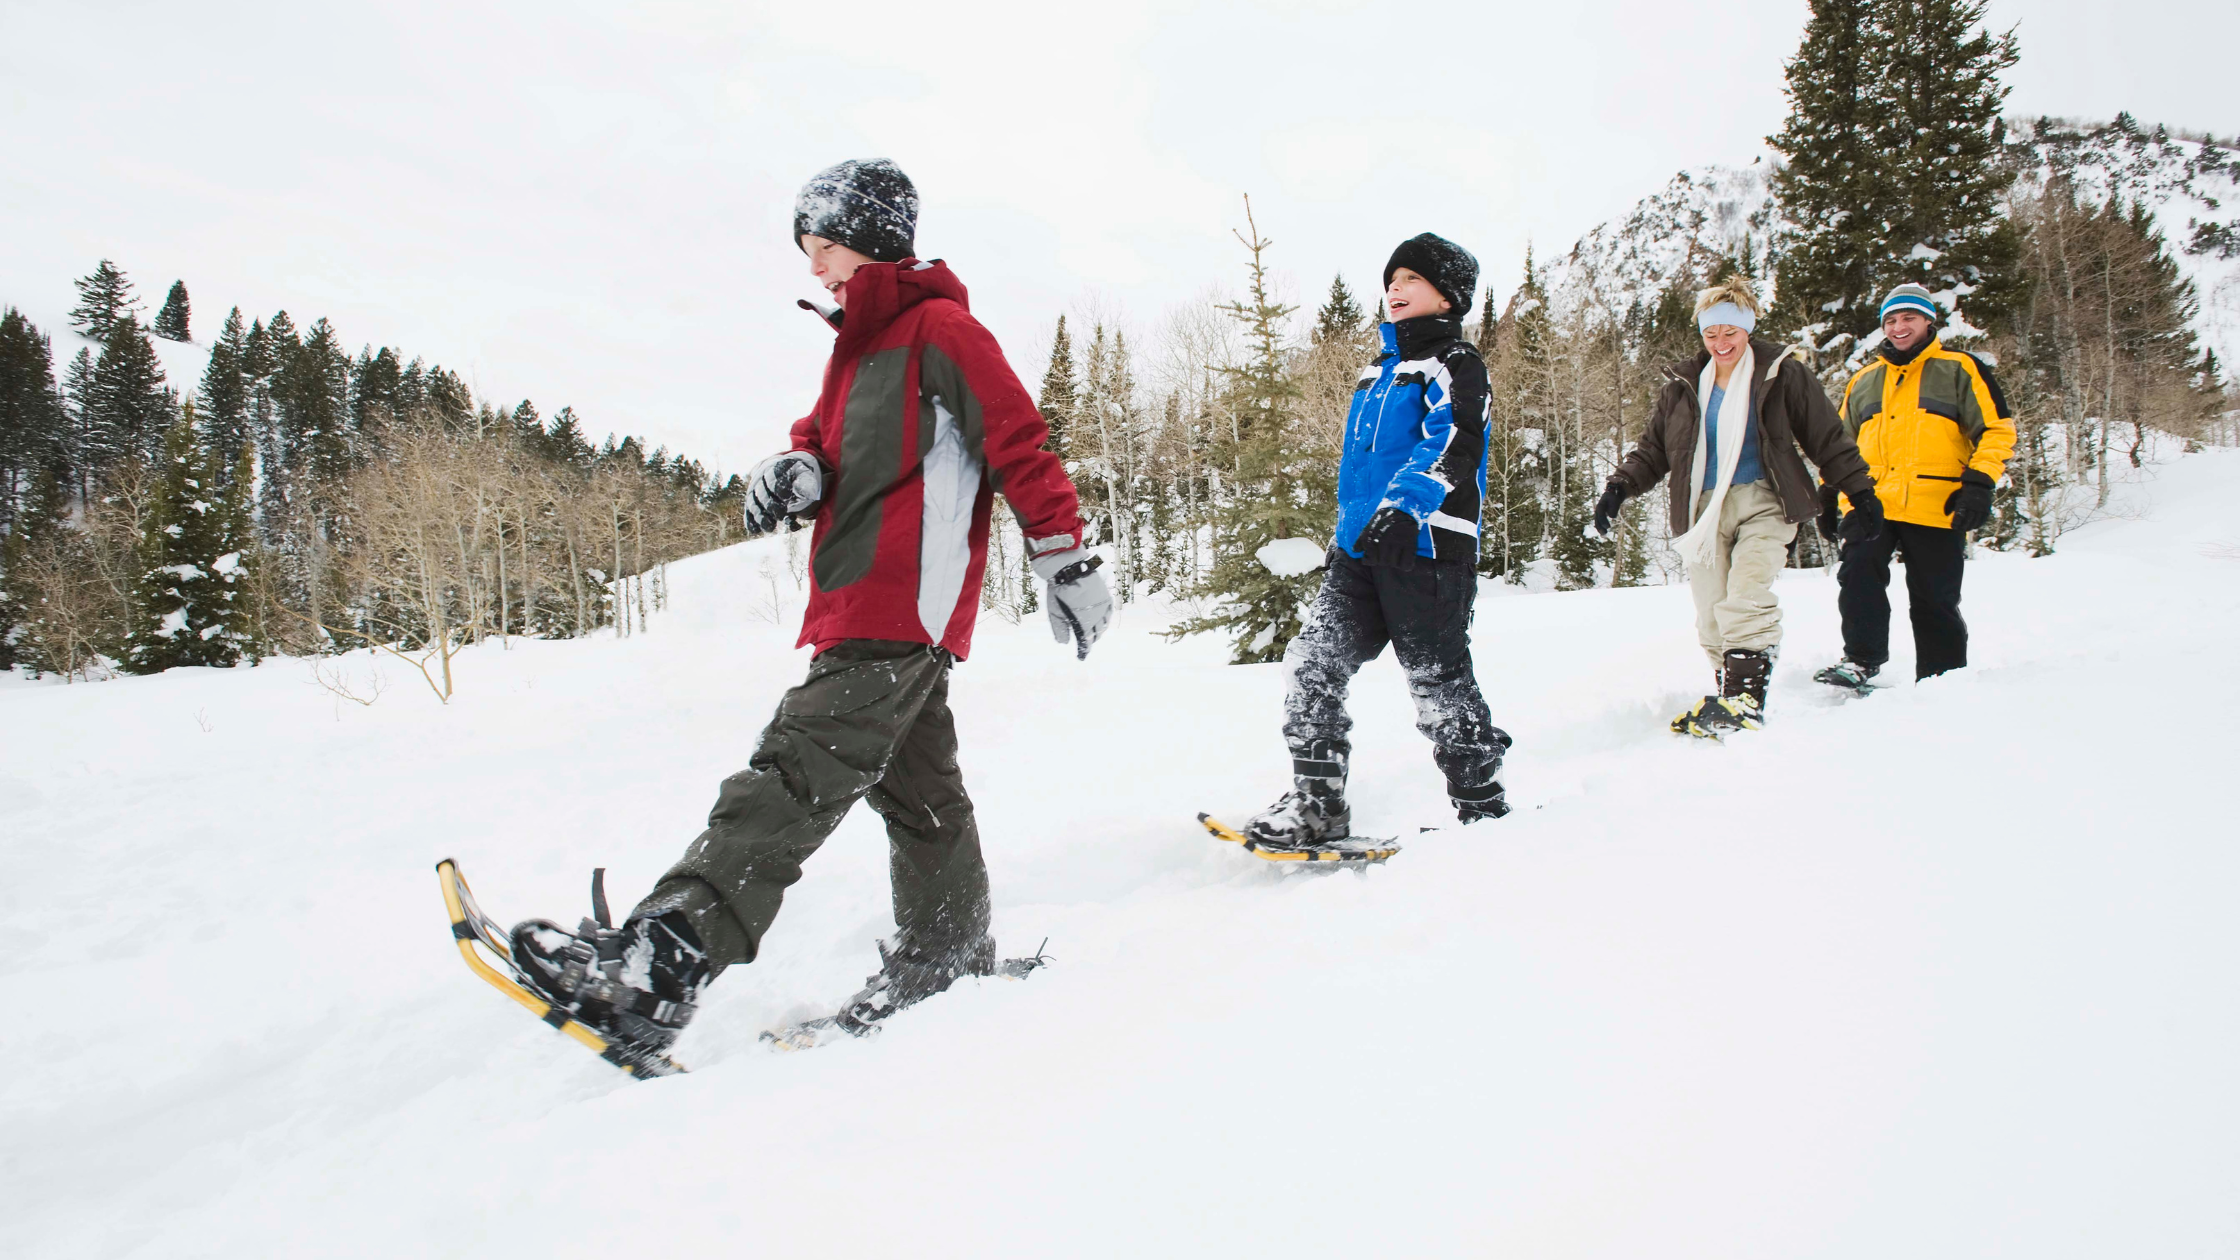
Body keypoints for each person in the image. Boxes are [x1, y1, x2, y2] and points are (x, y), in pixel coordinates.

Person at [506, 158, 1111, 1062]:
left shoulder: (943, 330)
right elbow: (823, 442)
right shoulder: (854, 352)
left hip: (899, 601)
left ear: (871, 240)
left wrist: (1066, 556)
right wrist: (798, 469)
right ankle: (945, 959)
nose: (816, 269)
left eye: (825, 247)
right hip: (859, 594)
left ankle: (659, 970)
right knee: (922, 798)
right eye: (808, 253)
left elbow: (1016, 440)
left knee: (793, 774)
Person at [1244, 232, 1510, 847]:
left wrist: (1407, 504)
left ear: (1448, 295)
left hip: (1426, 547)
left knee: (1437, 680)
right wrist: (1349, 532)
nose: (1396, 288)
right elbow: (1358, 464)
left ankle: (1483, 806)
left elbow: (1455, 438)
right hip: (1360, 548)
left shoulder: (1456, 364)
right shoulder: (1378, 372)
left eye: (1412, 279)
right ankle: (1318, 804)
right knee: (1313, 664)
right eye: (1392, 279)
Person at [1593, 279, 1879, 737]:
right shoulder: (1683, 387)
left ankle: (1746, 701)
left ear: (1748, 328)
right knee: (1711, 614)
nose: (1721, 343)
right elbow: (1654, 451)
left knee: (1745, 595)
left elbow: (1826, 436)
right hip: (1703, 510)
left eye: (1730, 332)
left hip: (1765, 500)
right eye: (1711, 334)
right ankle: (1730, 698)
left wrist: (1859, 491)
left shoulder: (1783, 373)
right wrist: (1618, 488)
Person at [1817, 283, 2015, 686]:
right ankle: (1860, 660)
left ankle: (1941, 676)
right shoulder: (1865, 381)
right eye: (1890, 320)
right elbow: (1840, 444)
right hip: (1872, 502)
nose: (1898, 326)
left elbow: (1996, 429)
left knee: (1935, 596)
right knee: (1857, 577)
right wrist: (1828, 492)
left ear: (1928, 320)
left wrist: (1979, 483)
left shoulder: (1960, 369)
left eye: (1908, 317)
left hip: (1937, 500)